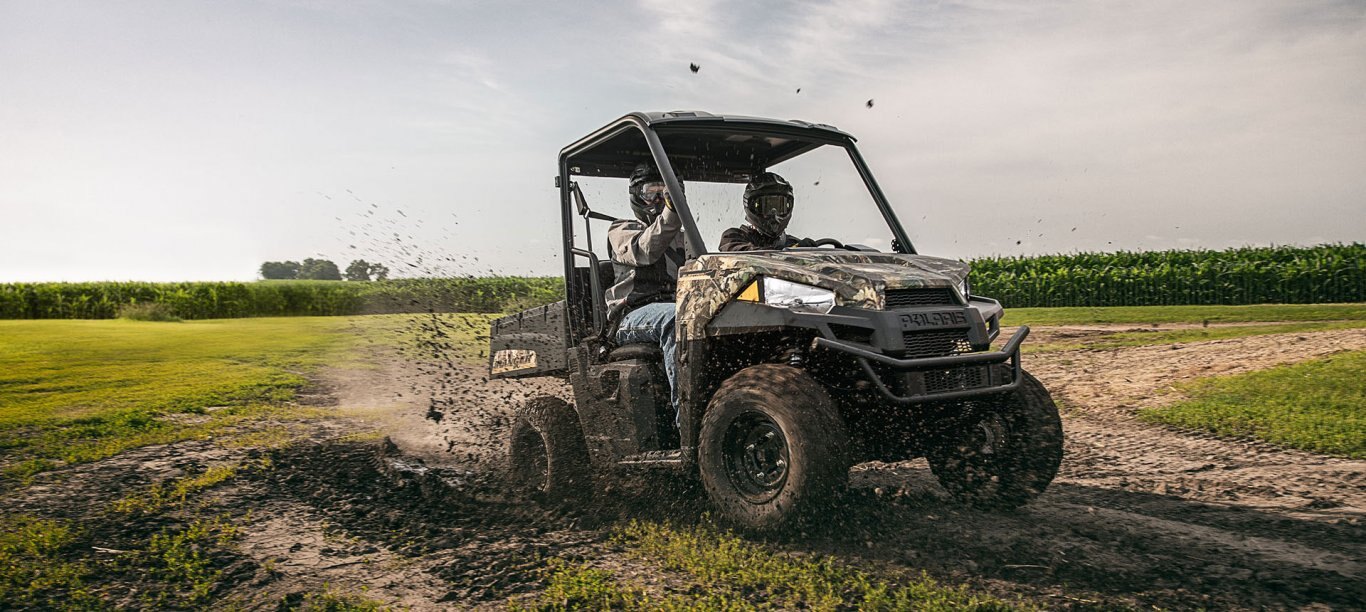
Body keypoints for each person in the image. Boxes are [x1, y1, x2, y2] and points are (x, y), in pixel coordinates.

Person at [605, 162, 686, 419]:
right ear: (636, 196)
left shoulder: (682, 236)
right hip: (631, 314)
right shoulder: (621, 230)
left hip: (676, 306)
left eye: (666, 192)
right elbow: (646, 250)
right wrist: (673, 211)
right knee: (677, 320)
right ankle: (685, 418)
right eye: (653, 192)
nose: (660, 199)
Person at [718, 172, 815, 251]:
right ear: (752, 207)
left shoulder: (794, 244)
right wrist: (787, 254)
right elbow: (746, 256)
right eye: (766, 206)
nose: (774, 213)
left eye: (779, 206)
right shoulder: (733, 237)